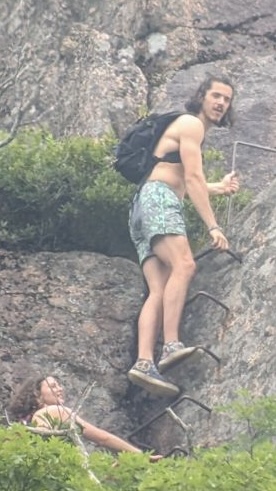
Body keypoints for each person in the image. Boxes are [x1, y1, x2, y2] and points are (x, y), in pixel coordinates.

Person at [127, 74, 240, 397]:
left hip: (141, 207)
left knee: (158, 289)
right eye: (216, 96)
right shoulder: (191, 124)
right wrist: (213, 226)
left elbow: (184, 179)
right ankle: (171, 344)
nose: (220, 103)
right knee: (185, 266)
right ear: (202, 96)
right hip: (159, 200)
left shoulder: (186, 129)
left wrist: (218, 187)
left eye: (227, 99)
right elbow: (190, 177)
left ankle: (144, 361)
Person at [7, 374, 161, 459]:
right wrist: (140, 455)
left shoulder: (26, 423)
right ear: (37, 394)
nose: (60, 389)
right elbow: (102, 438)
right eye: (53, 386)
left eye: (60, 385)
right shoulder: (54, 411)